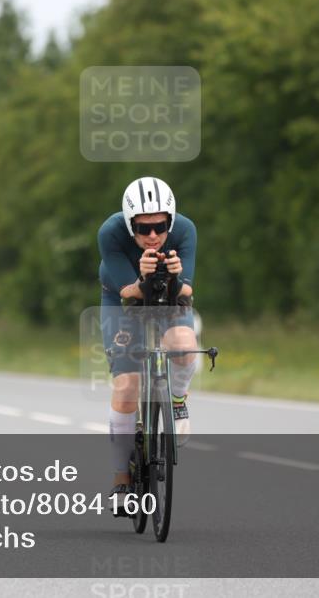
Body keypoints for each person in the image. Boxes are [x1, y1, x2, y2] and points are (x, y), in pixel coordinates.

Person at [98, 177, 198, 515]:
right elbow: (127, 292)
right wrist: (140, 279)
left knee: (184, 345)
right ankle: (120, 479)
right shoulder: (110, 233)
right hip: (121, 297)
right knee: (128, 386)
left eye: (160, 226)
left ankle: (178, 400)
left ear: (171, 220)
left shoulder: (185, 231)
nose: (153, 235)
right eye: (143, 228)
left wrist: (177, 278)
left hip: (168, 295)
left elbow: (187, 292)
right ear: (129, 225)